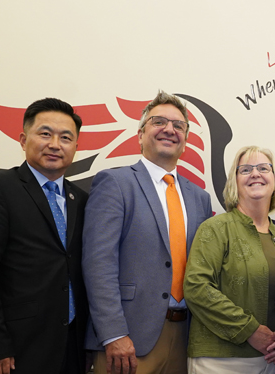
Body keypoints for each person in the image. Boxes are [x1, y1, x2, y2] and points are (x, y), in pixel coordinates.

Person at [83, 91, 213, 374]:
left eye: (178, 125)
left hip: (185, 337)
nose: (169, 129)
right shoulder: (115, 183)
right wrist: (113, 334)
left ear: (186, 141)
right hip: (127, 339)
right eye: (159, 122)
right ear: (140, 134)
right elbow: (98, 263)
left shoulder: (200, 198)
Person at [0, 98, 89, 374]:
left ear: (76, 147)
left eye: (66, 137)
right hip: (15, 350)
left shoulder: (81, 199)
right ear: (22, 139)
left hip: (73, 349)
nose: (55, 144)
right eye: (45, 134)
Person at [183, 146, 275, 373]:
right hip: (221, 360)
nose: (255, 174)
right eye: (245, 169)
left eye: (264, 168)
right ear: (234, 182)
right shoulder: (215, 228)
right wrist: (249, 330)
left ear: (273, 180)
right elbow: (197, 288)